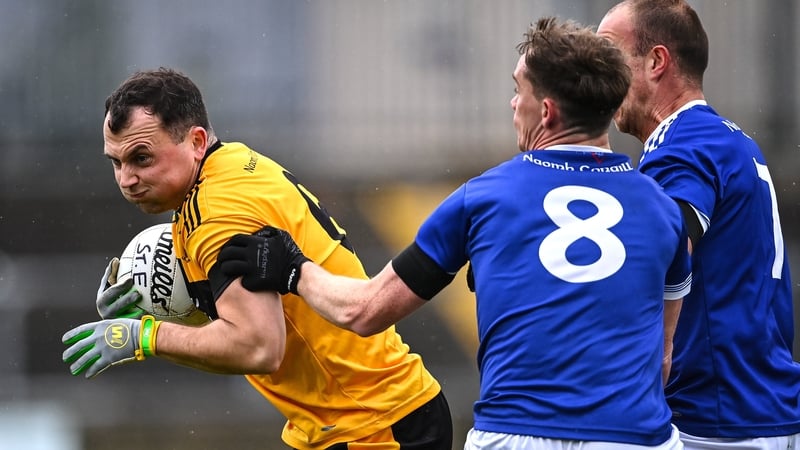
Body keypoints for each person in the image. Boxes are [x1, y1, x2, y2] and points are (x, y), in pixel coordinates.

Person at [216, 17, 692, 450]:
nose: (512, 103)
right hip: (635, 438)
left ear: (545, 112)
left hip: (517, 434)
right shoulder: (664, 210)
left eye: (518, 90)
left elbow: (364, 312)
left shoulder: (483, 198)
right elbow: (663, 361)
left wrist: (292, 269)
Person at [60, 67, 453, 450]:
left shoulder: (216, 215)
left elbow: (258, 347)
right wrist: (160, 307)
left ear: (196, 141)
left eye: (141, 158)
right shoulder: (232, 164)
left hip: (373, 426)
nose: (126, 178)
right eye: (116, 161)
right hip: (361, 418)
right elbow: (256, 314)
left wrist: (145, 337)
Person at [596, 1, 800, 448]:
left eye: (610, 55)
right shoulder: (732, 138)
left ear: (656, 61)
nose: (602, 78)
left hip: (712, 417)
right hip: (765, 404)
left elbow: (666, 250)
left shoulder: (680, 146)